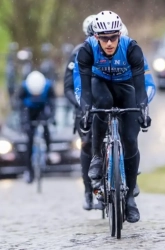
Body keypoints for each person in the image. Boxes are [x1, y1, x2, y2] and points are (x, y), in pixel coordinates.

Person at [76, 11, 151, 223]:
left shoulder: (132, 49)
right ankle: (98, 157)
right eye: (104, 38)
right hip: (99, 85)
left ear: (120, 34)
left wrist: (143, 109)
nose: (109, 43)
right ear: (96, 37)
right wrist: (85, 111)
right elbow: (86, 90)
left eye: (113, 37)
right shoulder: (87, 50)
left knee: (130, 139)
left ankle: (129, 200)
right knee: (101, 104)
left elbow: (140, 88)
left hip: (126, 86)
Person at [64, 14, 96, 210]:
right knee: (87, 145)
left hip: (105, 101)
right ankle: (88, 189)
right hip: (83, 106)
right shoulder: (78, 53)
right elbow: (68, 87)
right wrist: (80, 104)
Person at [17, 71, 56, 184]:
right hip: (29, 111)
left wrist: (51, 118)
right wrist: (24, 122)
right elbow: (20, 106)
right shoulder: (23, 88)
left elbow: (53, 104)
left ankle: (48, 152)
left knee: (46, 130)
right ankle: (29, 170)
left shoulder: (48, 87)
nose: (36, 95)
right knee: (29, 139)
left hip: (42, 109)